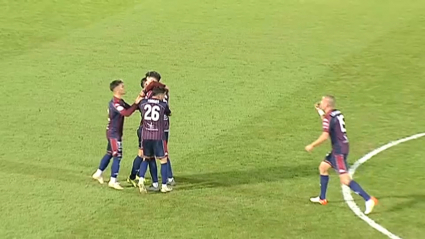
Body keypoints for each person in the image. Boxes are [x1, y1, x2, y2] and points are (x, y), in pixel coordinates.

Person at [305, 95, 378, 215]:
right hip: (341, 147)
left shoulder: (328, 117)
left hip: (339, 151)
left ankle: (368, 199)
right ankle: (322, 198)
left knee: (345, 179)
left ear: (327, 104)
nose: (320, 103)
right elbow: (328, 121)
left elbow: (324, 135)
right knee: (323, 168)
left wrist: (312, 145)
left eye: (322, 102)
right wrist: (319, 111)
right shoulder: (337, 113)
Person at [92, 80, 142, 190]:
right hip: (113, 134)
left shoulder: (120, 101)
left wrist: (140, 102)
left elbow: (131, 108)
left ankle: (98, 173)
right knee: (117, 156)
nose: (124, 88)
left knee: (110, 153)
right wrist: (136, 102)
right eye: (122, 87)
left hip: (113, 132)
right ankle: (113, 181)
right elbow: (127, 113)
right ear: (117, 89)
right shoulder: (115, 103)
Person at [137, 87, 173, 193]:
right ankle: (164, 186)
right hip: (158, 136)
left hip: (146, 135)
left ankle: (141, 178)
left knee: (146, 158)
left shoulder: (143, 103)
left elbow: (138, 107)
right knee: (163, 160)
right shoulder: (162, 105)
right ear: (160, 95)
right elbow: (168, 112)